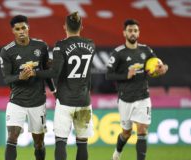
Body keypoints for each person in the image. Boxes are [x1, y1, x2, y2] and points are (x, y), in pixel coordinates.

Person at [30, 11, 95, 160]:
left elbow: (54, 72)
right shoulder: (91, 44)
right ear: (82, 26)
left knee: (61, 142)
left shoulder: (61, 45)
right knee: (82, 143)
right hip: (84, 101)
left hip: (65, 100)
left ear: (65, 26)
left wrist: (35, 73)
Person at [106, 19, 168, 160]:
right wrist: (126, 75)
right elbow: (108, 75)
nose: (132, 33)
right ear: (124, 33)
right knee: (126, 133)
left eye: (135, 30)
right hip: (125, 99)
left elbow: (158, 66)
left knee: (142, 130)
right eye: (130, 30)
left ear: (138, 33)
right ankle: (117, 154)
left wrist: (163, 68)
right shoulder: (118, 53)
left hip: (143, 97)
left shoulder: (146, 50)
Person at [0, 15, 55, 160]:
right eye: (17, 29)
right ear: (13, 31)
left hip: (38, 102)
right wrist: (20, 77)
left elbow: (46, 72)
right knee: (11, 138)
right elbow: (6, 78)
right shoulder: (7, 51)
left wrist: (54, 91)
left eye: (23, 27)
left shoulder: (41, 46)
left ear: (28, 27)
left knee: (38, 143)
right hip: (16, 102)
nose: (21, 31)